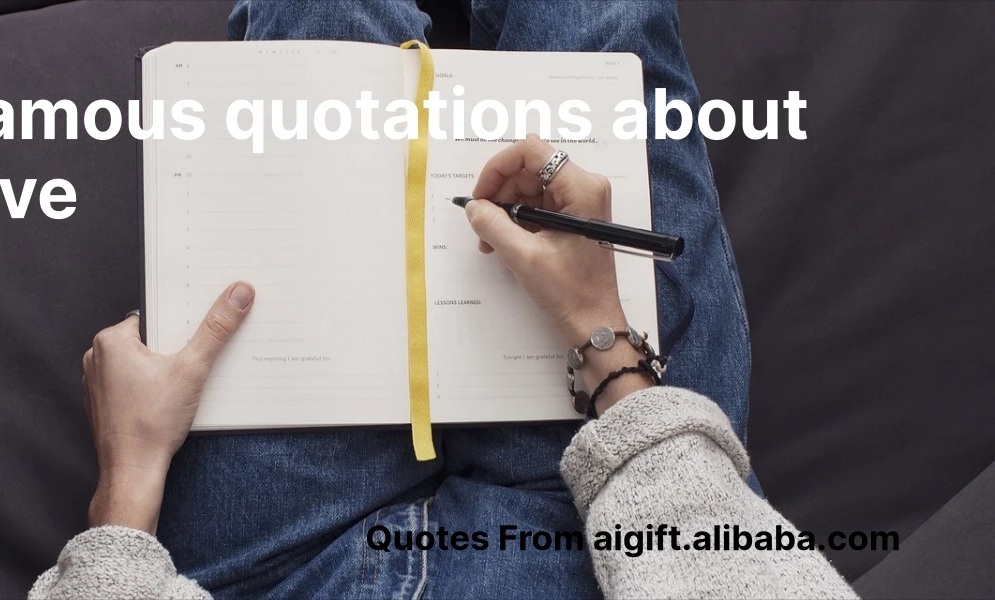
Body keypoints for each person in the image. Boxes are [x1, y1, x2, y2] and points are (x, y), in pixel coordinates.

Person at [38, 1, 781, 597]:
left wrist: (125, 491)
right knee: (605, 30)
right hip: (602, 542)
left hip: (282, 571)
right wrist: (604, 339)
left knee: (323, 21)